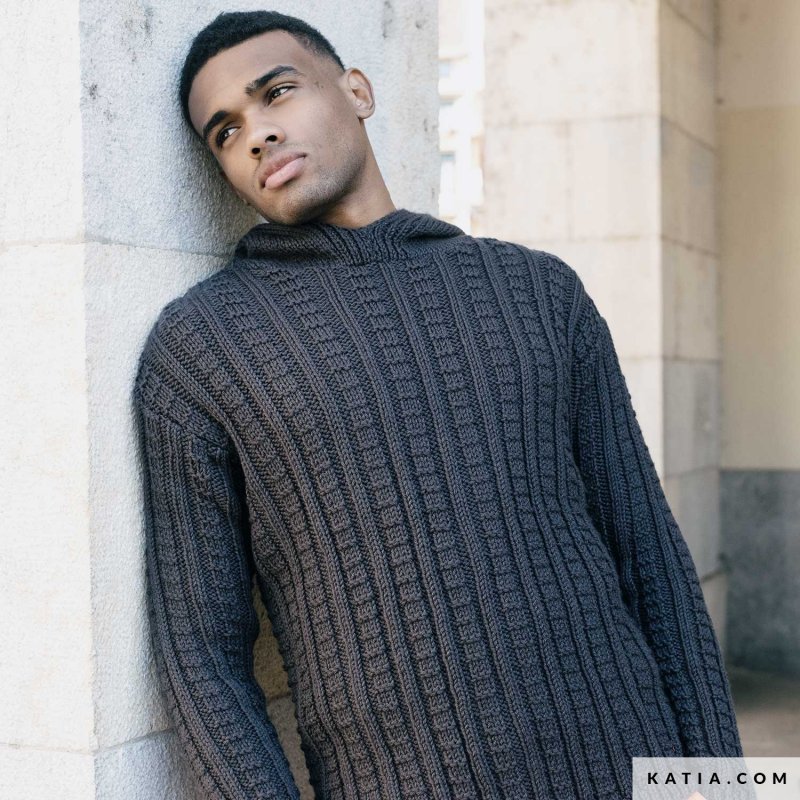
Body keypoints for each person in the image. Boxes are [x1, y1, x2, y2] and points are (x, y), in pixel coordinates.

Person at [132, 10, 745, 800]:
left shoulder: (537, 291)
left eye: (276, 93)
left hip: (627, 760)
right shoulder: (201, 350)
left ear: (358, 91)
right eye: (226, 132)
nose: (257, 135)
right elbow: (201, 654)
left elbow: (649, 555)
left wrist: (719, 781)